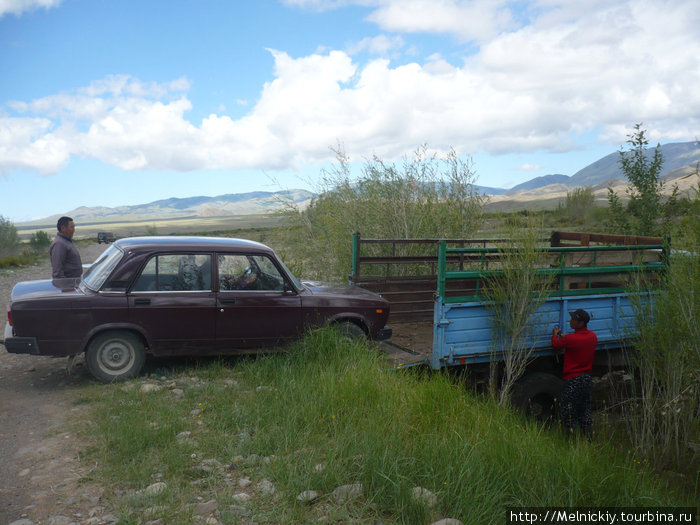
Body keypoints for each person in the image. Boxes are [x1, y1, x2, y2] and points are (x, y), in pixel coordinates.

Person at [551, 309, 597, 439]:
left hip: (572, 380)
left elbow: (556, 344)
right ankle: (588, 439)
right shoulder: (592, 336)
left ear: (580, 323)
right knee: (585, 410)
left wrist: (555, 334)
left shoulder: (571, 339)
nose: (570, 321)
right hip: (587, 378)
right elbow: (577, 341)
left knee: (569, 412)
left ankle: (571, 440)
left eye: (573, 320)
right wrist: (566, 337)